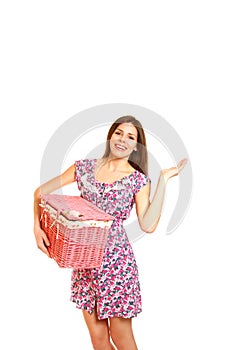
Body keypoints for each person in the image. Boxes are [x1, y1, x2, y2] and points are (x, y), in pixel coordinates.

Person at [33, 115, 187, 350]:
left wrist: (163, 181)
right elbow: (40, 193)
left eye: (130, 137)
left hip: (116, 263)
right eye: (119, 133)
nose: (123, 140)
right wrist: (37, 228)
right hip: (84, 261)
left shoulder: (138, 180)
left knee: (121, 337)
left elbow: (148, 224)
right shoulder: (83, 168)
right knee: (98, 339)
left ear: (136, 146)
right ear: (110, 136)